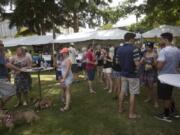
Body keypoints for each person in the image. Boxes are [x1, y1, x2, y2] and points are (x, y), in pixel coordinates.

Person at [155, 32, 180, 122]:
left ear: (166, 40)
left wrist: (155, 65)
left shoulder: (164, 51)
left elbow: (159, 66)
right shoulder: (177, 50)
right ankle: (173, 111)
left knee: (166, 97)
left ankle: (166, 115)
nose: (160, 41)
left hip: (164, 77)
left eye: (161, 39)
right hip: (173, 76)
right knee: (169, 94)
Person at [117, 33, 141, 119]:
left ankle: (120, 109)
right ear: (131, 39)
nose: (134, 40)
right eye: (134, 38)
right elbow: (137, 64)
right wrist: (142, 62)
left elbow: (117, 62)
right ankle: (131, 114)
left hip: (123, 74)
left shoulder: (119, 49)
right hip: (133, 75)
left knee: (122, 91)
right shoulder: (134, 49)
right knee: (132, 93)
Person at [0, 40, 21, 109]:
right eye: (1, 45)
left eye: (2, 44)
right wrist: (18, 69)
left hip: (3, 76)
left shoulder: (2, 54)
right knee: (13, 89)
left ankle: (2, 107)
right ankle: (1, 105)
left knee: (2, 94)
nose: (2, 46)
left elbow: (4, 65)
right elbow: (7, 64)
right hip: (1, 78)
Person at [141, 42, 159, 108]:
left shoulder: (155, 54)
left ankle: (156, 102)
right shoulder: (145, 53)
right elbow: (142, 62)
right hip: (146, 72)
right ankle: (149, 98)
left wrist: (150, 64)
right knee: (148, 86)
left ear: (151, 47)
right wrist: (143, 62)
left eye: (148, 47)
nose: (147, 48)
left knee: (153, 87)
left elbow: (156, 65)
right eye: (146, 47)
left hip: (152, 72)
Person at [59, 48, 73, 112]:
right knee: (65, 90)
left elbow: (67, 70)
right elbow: (63, 68)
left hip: (68, 77)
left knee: (67, 91)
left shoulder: (68, 59)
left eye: (63, 53)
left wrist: (64, 78)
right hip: (64, 76)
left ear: (66, 53)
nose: (62, 54)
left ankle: (67, 107)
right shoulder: (65, 59)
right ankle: (67, 102)